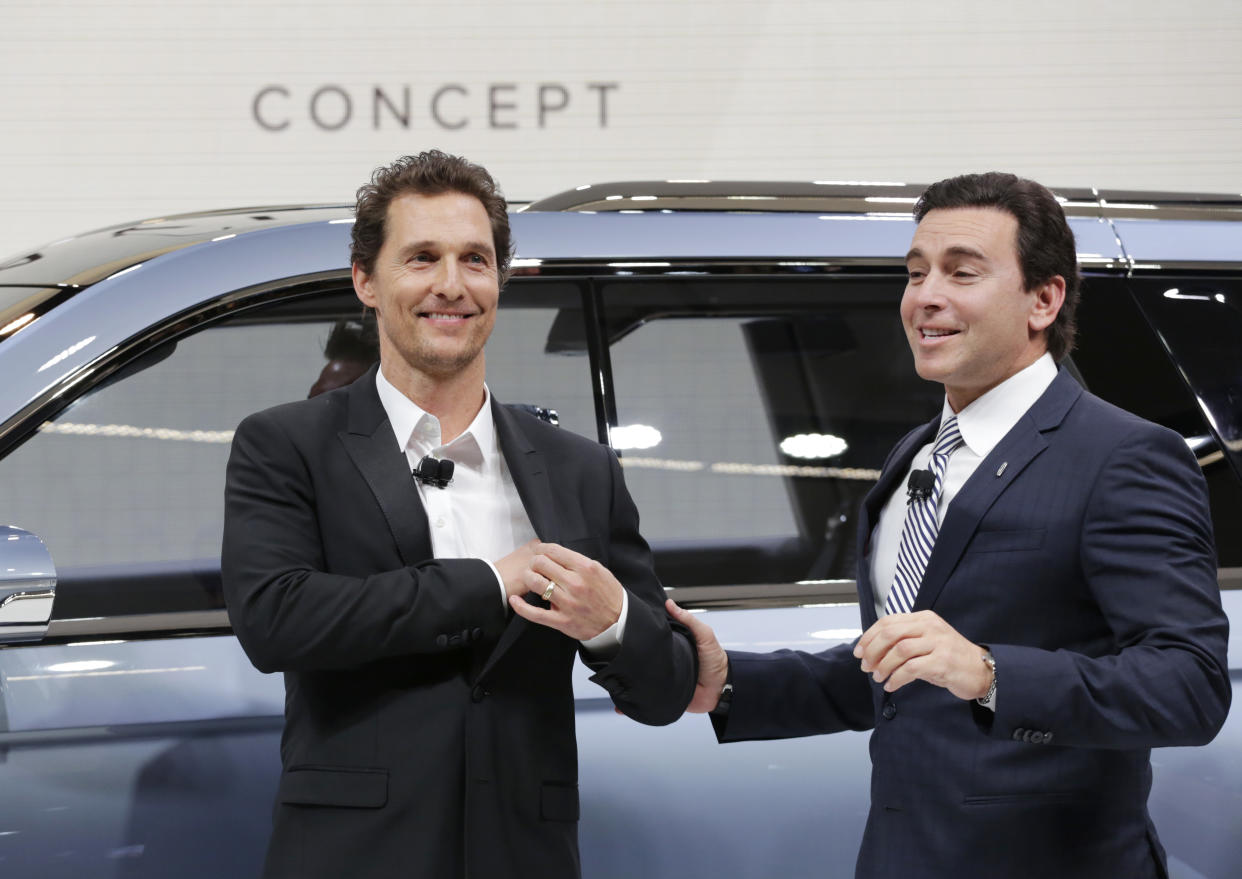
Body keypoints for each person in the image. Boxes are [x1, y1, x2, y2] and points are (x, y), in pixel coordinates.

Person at [667, 172, 1231, 878]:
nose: (925, 296)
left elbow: (1190, 686)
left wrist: (991, 671)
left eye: (961, 272)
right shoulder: (915, 455)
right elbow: (905, 672)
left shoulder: (1123, 456)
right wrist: (729, 682)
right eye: (915, 273)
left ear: (1044, 299)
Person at [222, 150, 696, 879]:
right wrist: (488, 581)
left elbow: (665, 690)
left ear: (499, 280)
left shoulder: (578, 468)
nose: (451, 285)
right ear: (365, 280)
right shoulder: (287, 442)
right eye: (421, 258)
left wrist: (612, 621)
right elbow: (275, 618)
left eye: (475, 260)